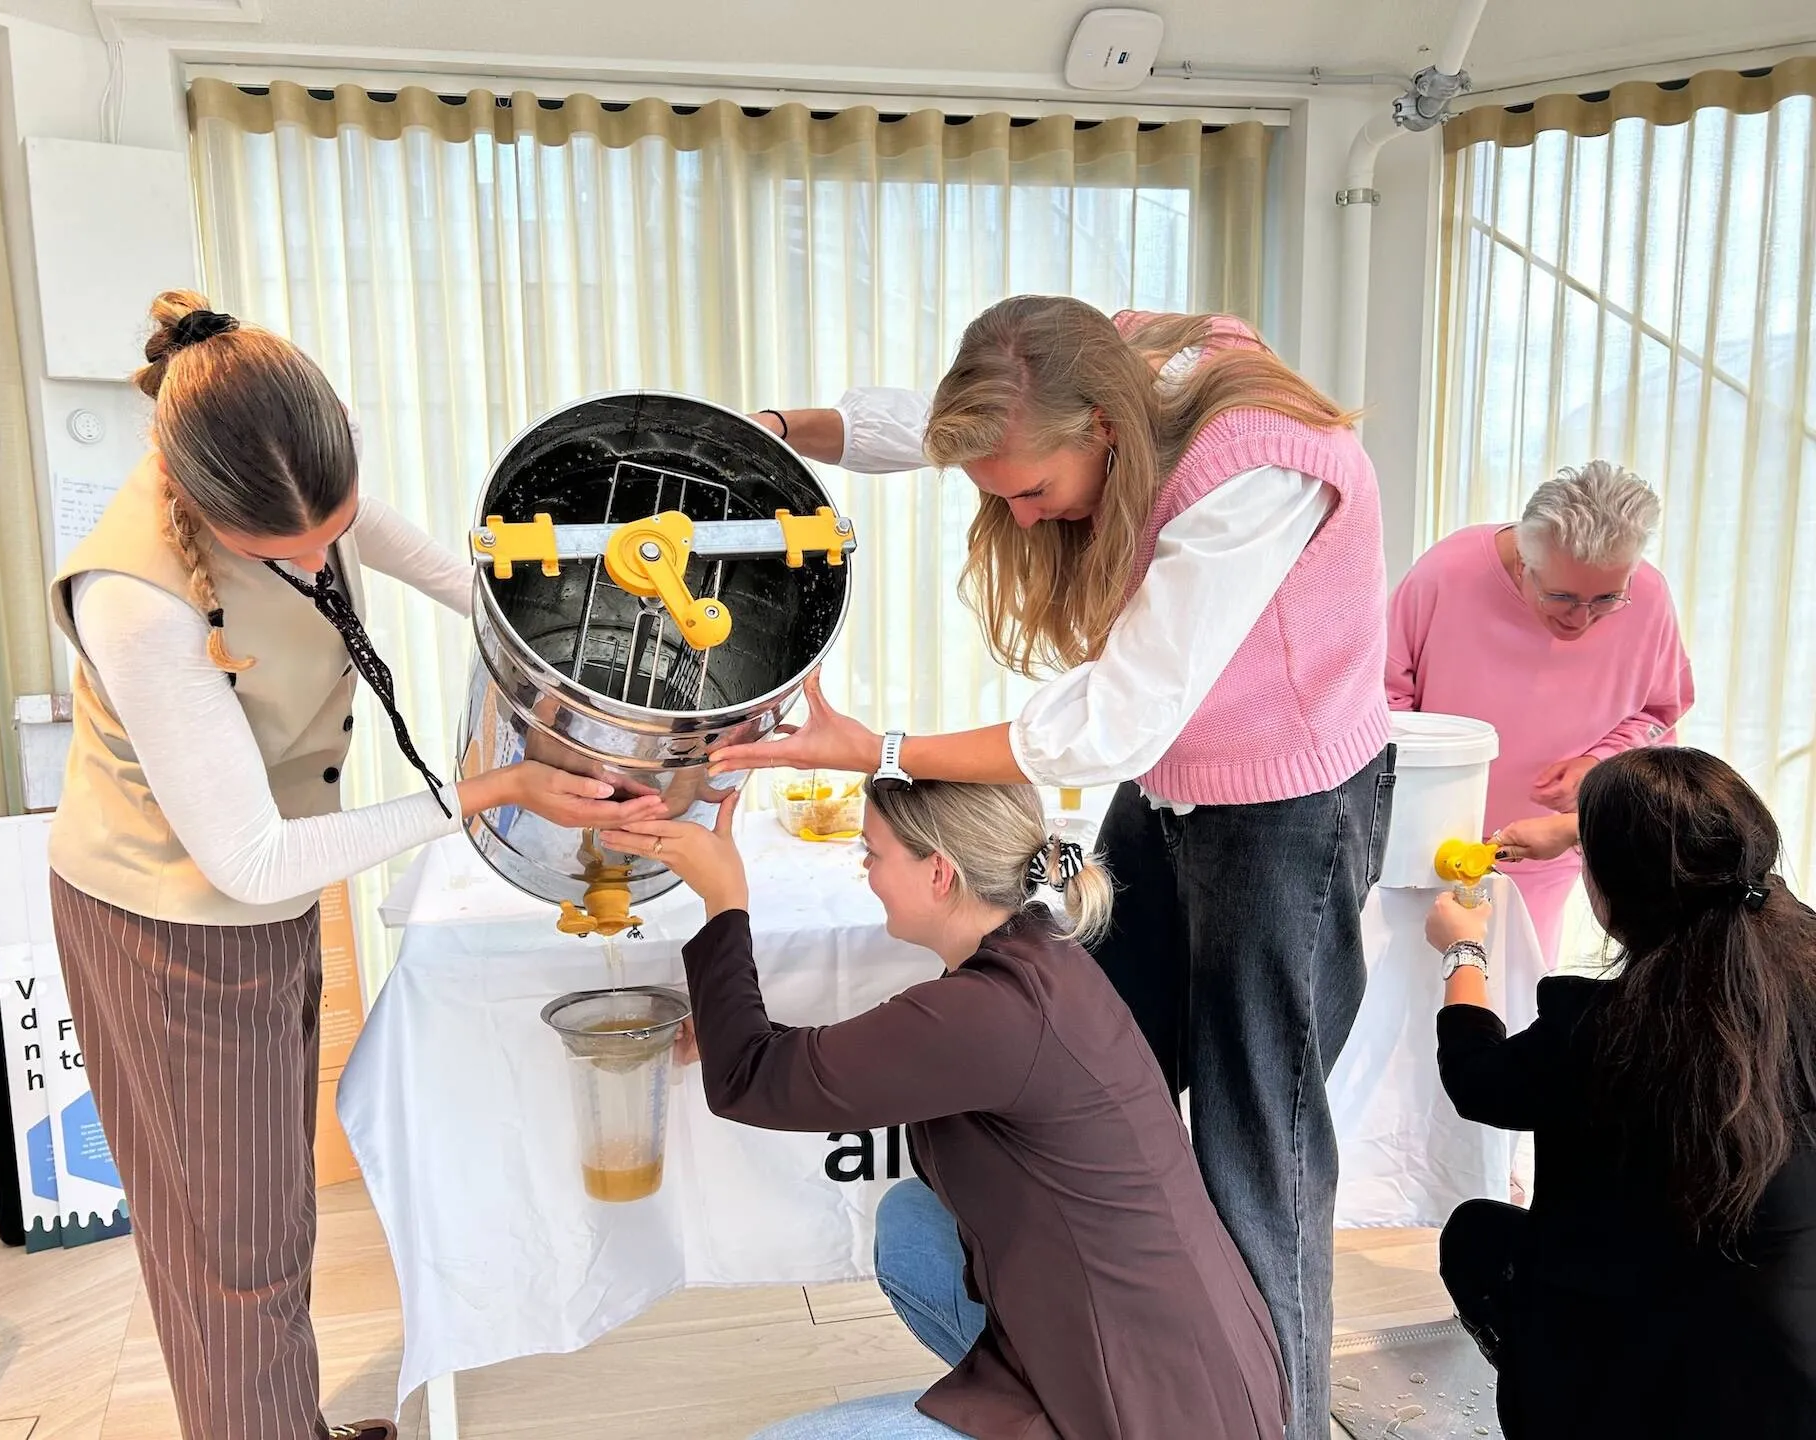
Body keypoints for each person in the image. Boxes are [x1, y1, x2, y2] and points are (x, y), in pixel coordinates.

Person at [718, 296, 1395, 1440]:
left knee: (1253, 1161)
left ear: (1108, 435)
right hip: (1179, 791)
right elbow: (932, 427)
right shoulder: (1099, 363)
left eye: (1032, 492)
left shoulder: (1261, 470)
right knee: (1083, 1078)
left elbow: (1113, 722)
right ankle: (1087, 1389)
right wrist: (778, 429)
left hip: (1290, 812)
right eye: (1000, 495)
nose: (1022, 519)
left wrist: (877, 750)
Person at [44, 291, 667, 1440]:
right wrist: (489, 790)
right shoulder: (138, 602)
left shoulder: (290, 484)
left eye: (333, 529)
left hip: (261, 897)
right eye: (294, 553)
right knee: (230, 1255)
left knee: (271, 1222)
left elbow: (432, 566)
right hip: (169, 925)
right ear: (199, 500)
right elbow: (249, 856)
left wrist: (555, 650)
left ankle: (282, 1425)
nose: (329, 557)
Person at [601, 781, 1287, 1440]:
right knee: (909, 1225)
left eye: (873, 853)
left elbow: (747, 1081)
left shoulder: (988, 1014)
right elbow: (812, 1061)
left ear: (939, 873)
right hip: (1185, 1362)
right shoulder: (1033, 953)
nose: (864, 870)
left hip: (1145, 1415)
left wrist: (726, 901)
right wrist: (728, 1033)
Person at [1424, 747, 1816, 1438]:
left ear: (1611, 895)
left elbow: (1475, 1081)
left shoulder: (1604, 1030)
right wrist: (1580, 828)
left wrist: (1464, 951)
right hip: (1789, 1367)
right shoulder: (1796, 956)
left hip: (1635, 1377)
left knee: (1478, 1238)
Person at [1387, 461, 1693, 970]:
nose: (1581, 618)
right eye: (1563, 597)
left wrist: (1598, 765)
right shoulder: (1448, 572)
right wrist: (1426, 803)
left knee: (1519, 1004)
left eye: (1605, 600)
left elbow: (1661, 711)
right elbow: (1382, 701)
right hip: (1419, 843)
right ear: (1524, 560)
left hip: (1544, 848)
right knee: (1411, 999)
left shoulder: (1650, 597)